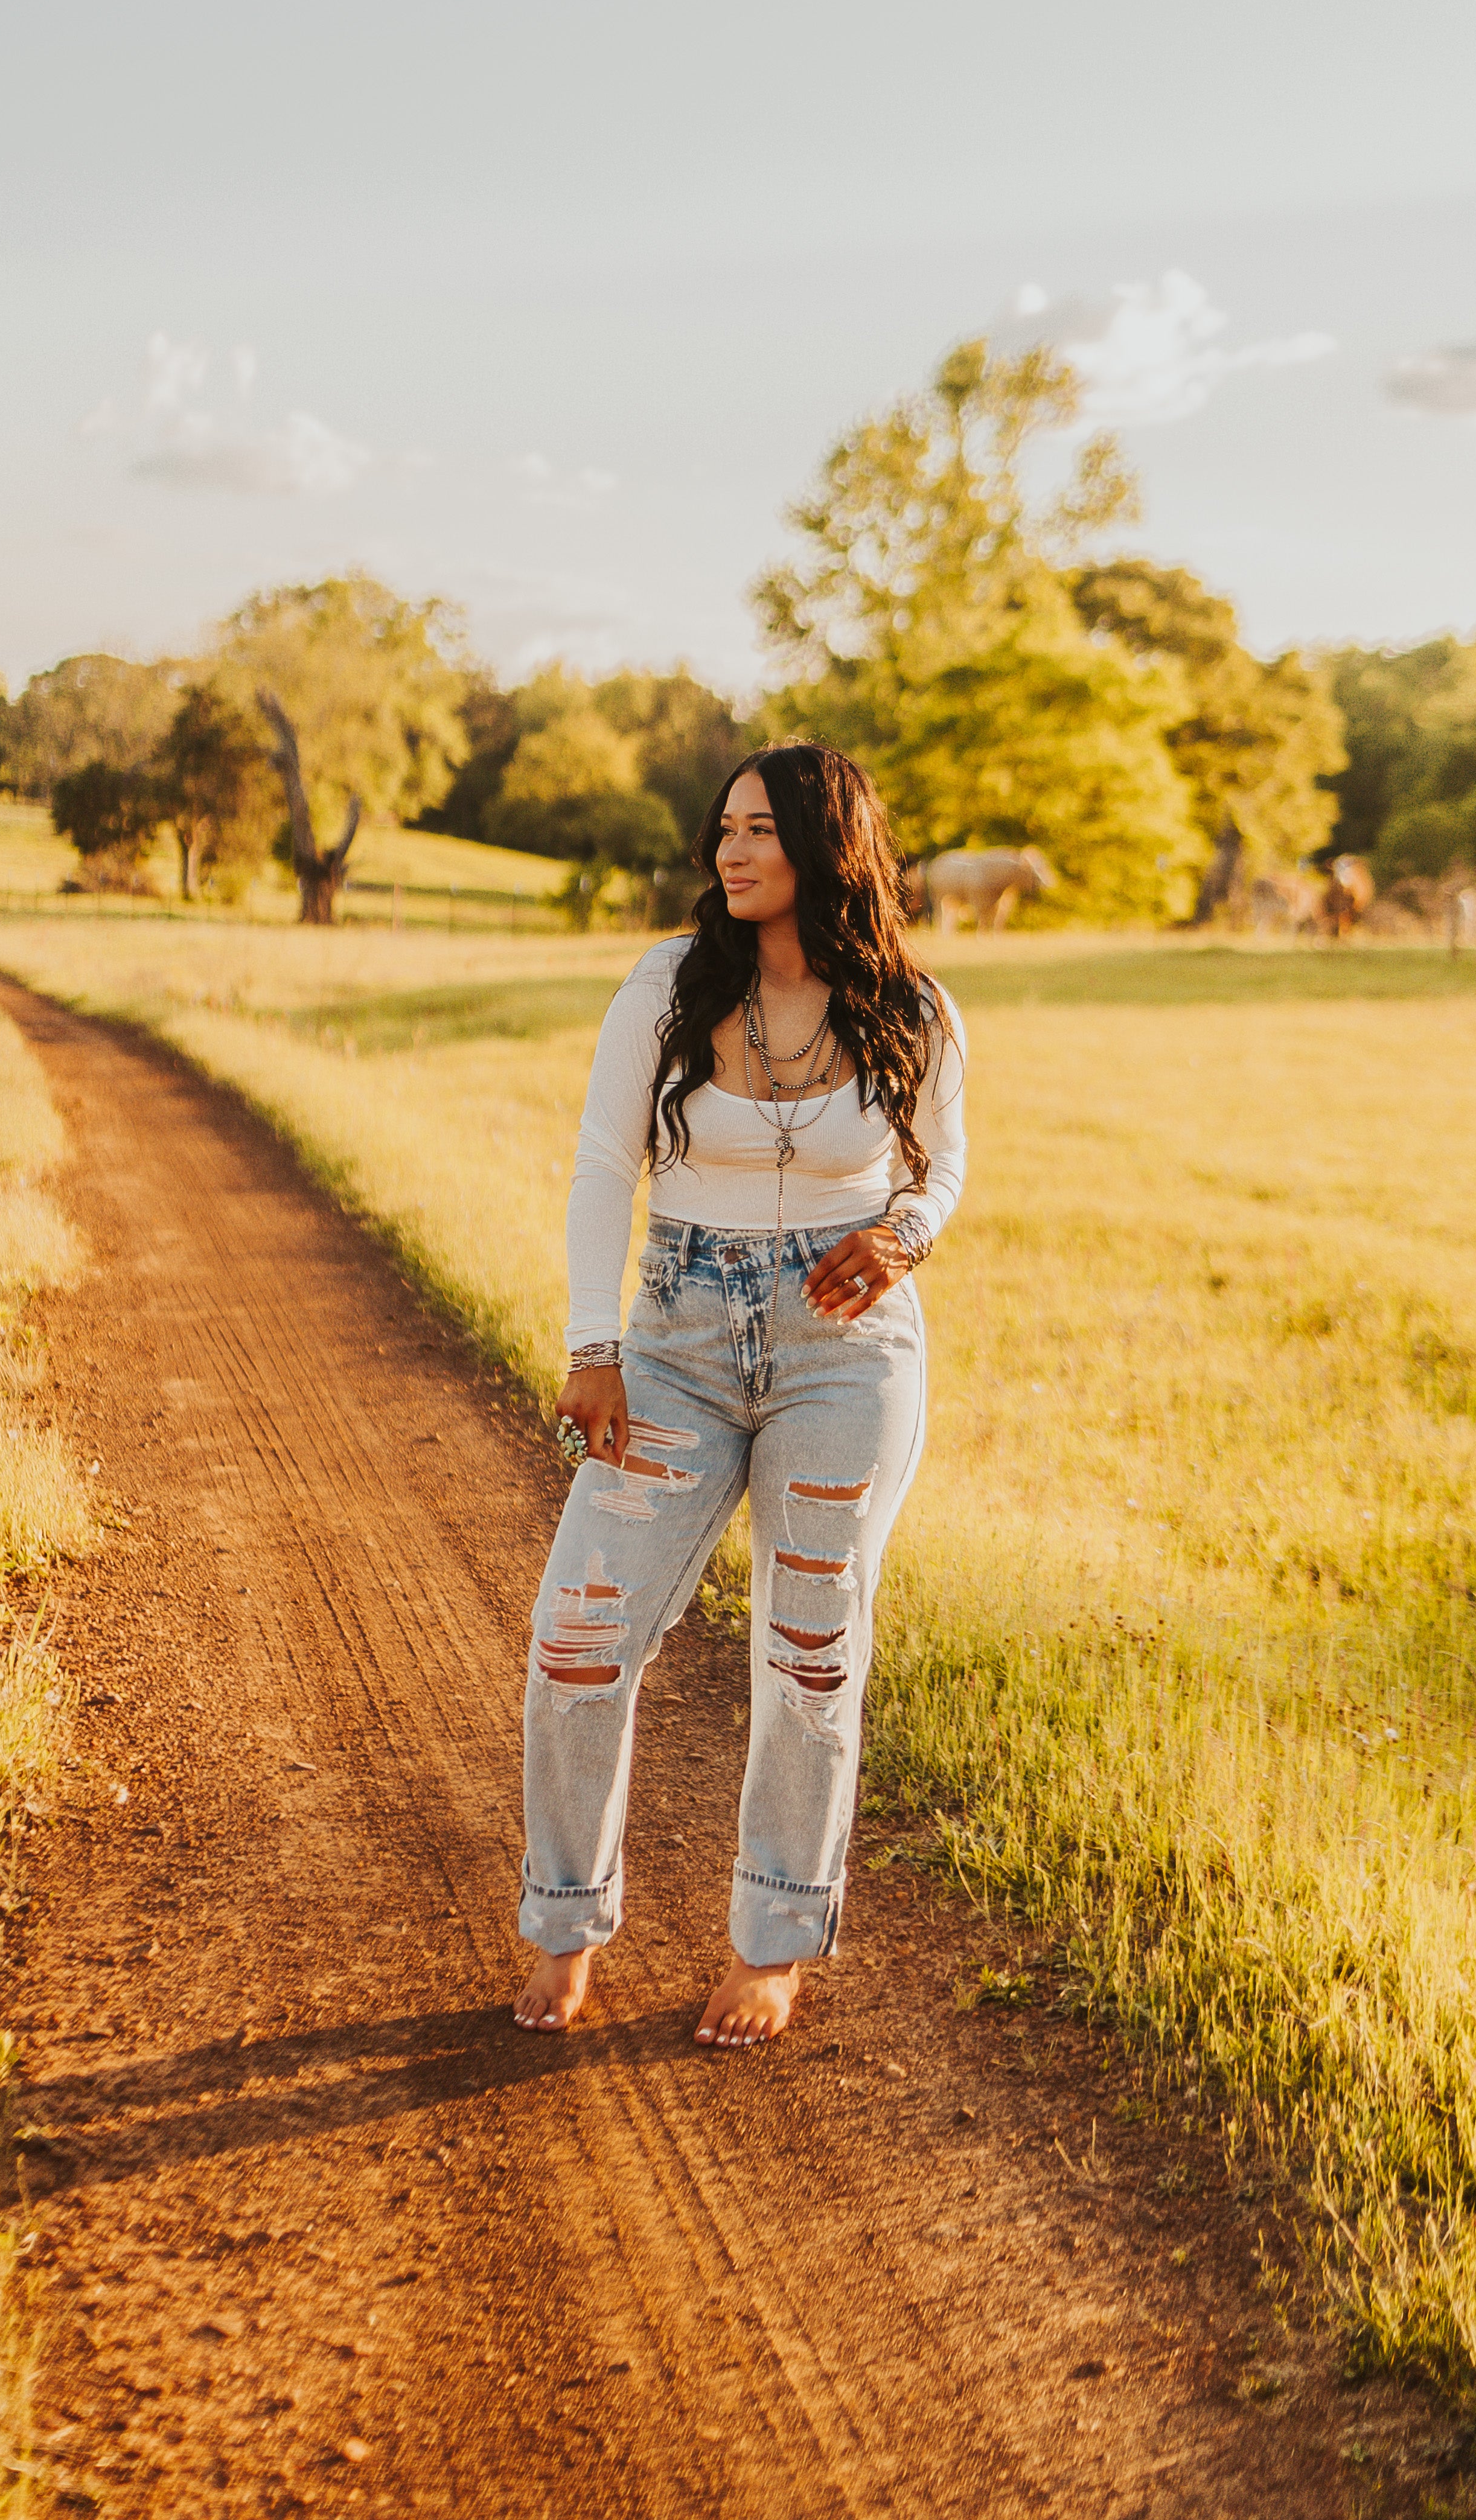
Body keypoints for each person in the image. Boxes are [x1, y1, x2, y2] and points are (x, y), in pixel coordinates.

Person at [513, 742, 967, 2048]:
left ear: (829, 844)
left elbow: (942, 1166)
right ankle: (563, 1919)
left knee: (809, 1652)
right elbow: (604, 1167)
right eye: (725, 827)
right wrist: (592, 1345)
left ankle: (773, 1943)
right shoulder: (667, 982)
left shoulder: (912, 1005)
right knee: (578, 1632)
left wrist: (906, 1232)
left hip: (847, 1350)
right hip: (674, 1342)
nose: (732, 850)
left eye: (763, 829)